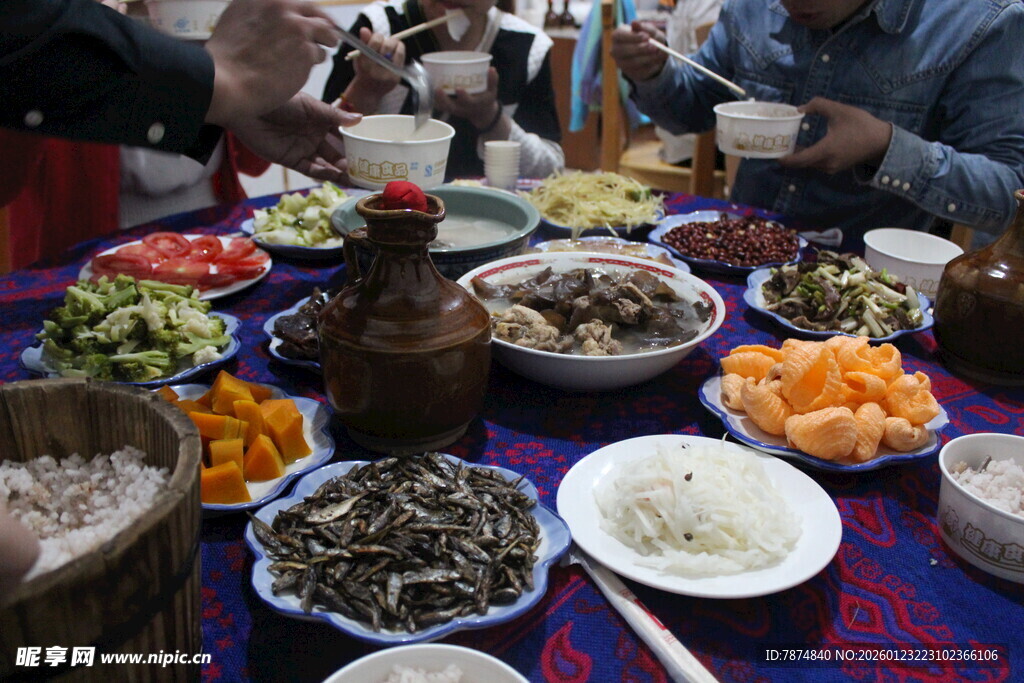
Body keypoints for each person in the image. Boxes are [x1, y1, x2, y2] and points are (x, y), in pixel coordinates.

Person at [610, 0, 1024, 240]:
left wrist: (884, 146)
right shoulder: (753, 7)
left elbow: (1008, 195)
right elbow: (691, 110)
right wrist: (652, 72)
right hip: (741, 248)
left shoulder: (979, 20)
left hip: (868, 280)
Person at [0, 0, 272, 270]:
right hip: (91, 251)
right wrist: (78, 33)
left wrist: (256, 57)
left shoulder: (197, 16)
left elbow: (255, 161)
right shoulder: (55, 20)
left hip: (215, 233)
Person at [1, 0, 361, 182]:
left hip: (213, 253)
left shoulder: (207, 44)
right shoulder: (58, 39)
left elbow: (253, 164)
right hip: (87, 266)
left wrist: (238, 100)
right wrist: (88, 45)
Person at [322, 0, 564, 180]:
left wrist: (489, 117)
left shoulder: (527, 46)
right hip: (380, 218)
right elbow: (322, 160)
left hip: (487, 218)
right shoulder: (379, 29)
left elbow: (549, 172)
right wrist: (366, 90)